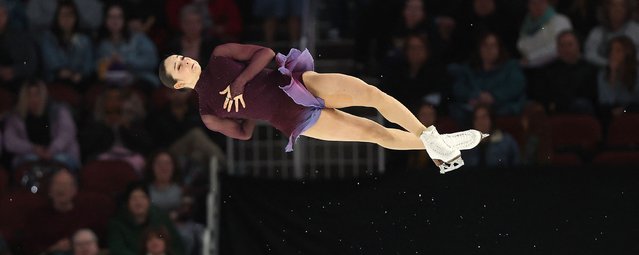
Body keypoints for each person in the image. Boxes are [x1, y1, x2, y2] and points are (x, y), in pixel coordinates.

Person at [158, 43, 486, 174]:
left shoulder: (218, 55)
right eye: (179, 65)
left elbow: (265, 52)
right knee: (374, 133)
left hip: (297, 83)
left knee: (370, 93)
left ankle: (435, 142)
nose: (185, 60)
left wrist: (242, 84)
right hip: (290, 117)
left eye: (181, 57)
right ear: (177, 85)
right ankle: (439, 145)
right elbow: (243, 134)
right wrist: (251, 110)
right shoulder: (208, 112)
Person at [450, 32, 526, 125]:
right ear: (479, 48)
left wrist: (494, 97)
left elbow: (516, 86)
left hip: (501, 108)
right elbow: (459, 87)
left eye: (493, 45)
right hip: (473, 110)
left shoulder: (511, 66)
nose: (489, 49)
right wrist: (475, 96)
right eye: (485, 45)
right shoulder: (469, 68)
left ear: (499, 48)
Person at [2, 79, 79, 169]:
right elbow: (10, 142)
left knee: (59, 163)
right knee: (28, 165)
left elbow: (67, 134)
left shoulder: (59, 111)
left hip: (61, 154)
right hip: (29, 155)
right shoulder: (15, 117)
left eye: (37, 94)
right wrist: (33, 148)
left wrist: (52, 150)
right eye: (29, 95)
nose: (33, 99)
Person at [107, 183, 184, 255]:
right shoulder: (117, 223)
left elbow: (176, 243)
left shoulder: (160, 217)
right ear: (127, 202)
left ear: (149, 201)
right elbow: (117, 251)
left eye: (142, 197)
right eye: (134, 198)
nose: (138, 202)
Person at [95, 3, 158, 88]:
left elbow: (152, 61)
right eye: (111, 17)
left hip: (140, 80)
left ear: (124, 19)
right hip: (113, 82)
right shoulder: (102, 44)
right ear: (105, 20)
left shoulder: (138, 38)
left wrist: (125, 61)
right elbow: (95, 67)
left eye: (119, 17)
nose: (115, 21)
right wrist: (106, 63)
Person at [535, 30, 598, 114]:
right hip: (555, 114)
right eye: (562, 45)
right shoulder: (547, 70)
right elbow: (543, 97)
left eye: (570, 45)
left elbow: (591, 97)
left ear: (578, 46)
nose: (566, 49)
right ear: (557, 48)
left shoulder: (590, 70)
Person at [39, 0, 94, 86]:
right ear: (57, 17)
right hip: (55, 82)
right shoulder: (48, 38)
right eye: (63, 15)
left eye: (70, 15)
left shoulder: (84, 40)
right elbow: (52, 64)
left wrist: (81, 74)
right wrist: (67, 73)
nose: (66, 19)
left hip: (79, 82)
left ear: (76, 18)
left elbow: (88, 66)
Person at [517, 0, 573, 68]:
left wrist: (530, 58)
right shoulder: (527, 26)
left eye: (541, 2)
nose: (538, 6)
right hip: (530, 69)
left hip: (557, 67)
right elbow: (522, 46)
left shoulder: (559, 20)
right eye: (533, 3)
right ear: (528, 6)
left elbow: (557, 48)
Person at [584, 0, 639, 68]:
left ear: (627, 9)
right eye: (613, 6)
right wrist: (609, 64)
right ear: (606, 8)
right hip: (605, 73)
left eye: (622, 6)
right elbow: (589, 55)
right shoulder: (597, 32)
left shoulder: (636, 30)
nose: (618, 9)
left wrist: (627, 64)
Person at [0, 0, 38, 91]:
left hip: (18, 81)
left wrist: (14, 70)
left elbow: (29, 62)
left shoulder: (20, 36)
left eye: (2, 15)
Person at [597, 35, 639, 116]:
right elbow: (605, 101)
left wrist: (624, 110)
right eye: (611, 50)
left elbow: (635, 100)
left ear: (628, 53)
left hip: (631, 111)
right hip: (611, 112)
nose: (613, 54)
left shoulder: (636, 72)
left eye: (618, 50)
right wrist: (612, 76)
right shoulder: (603, 73)